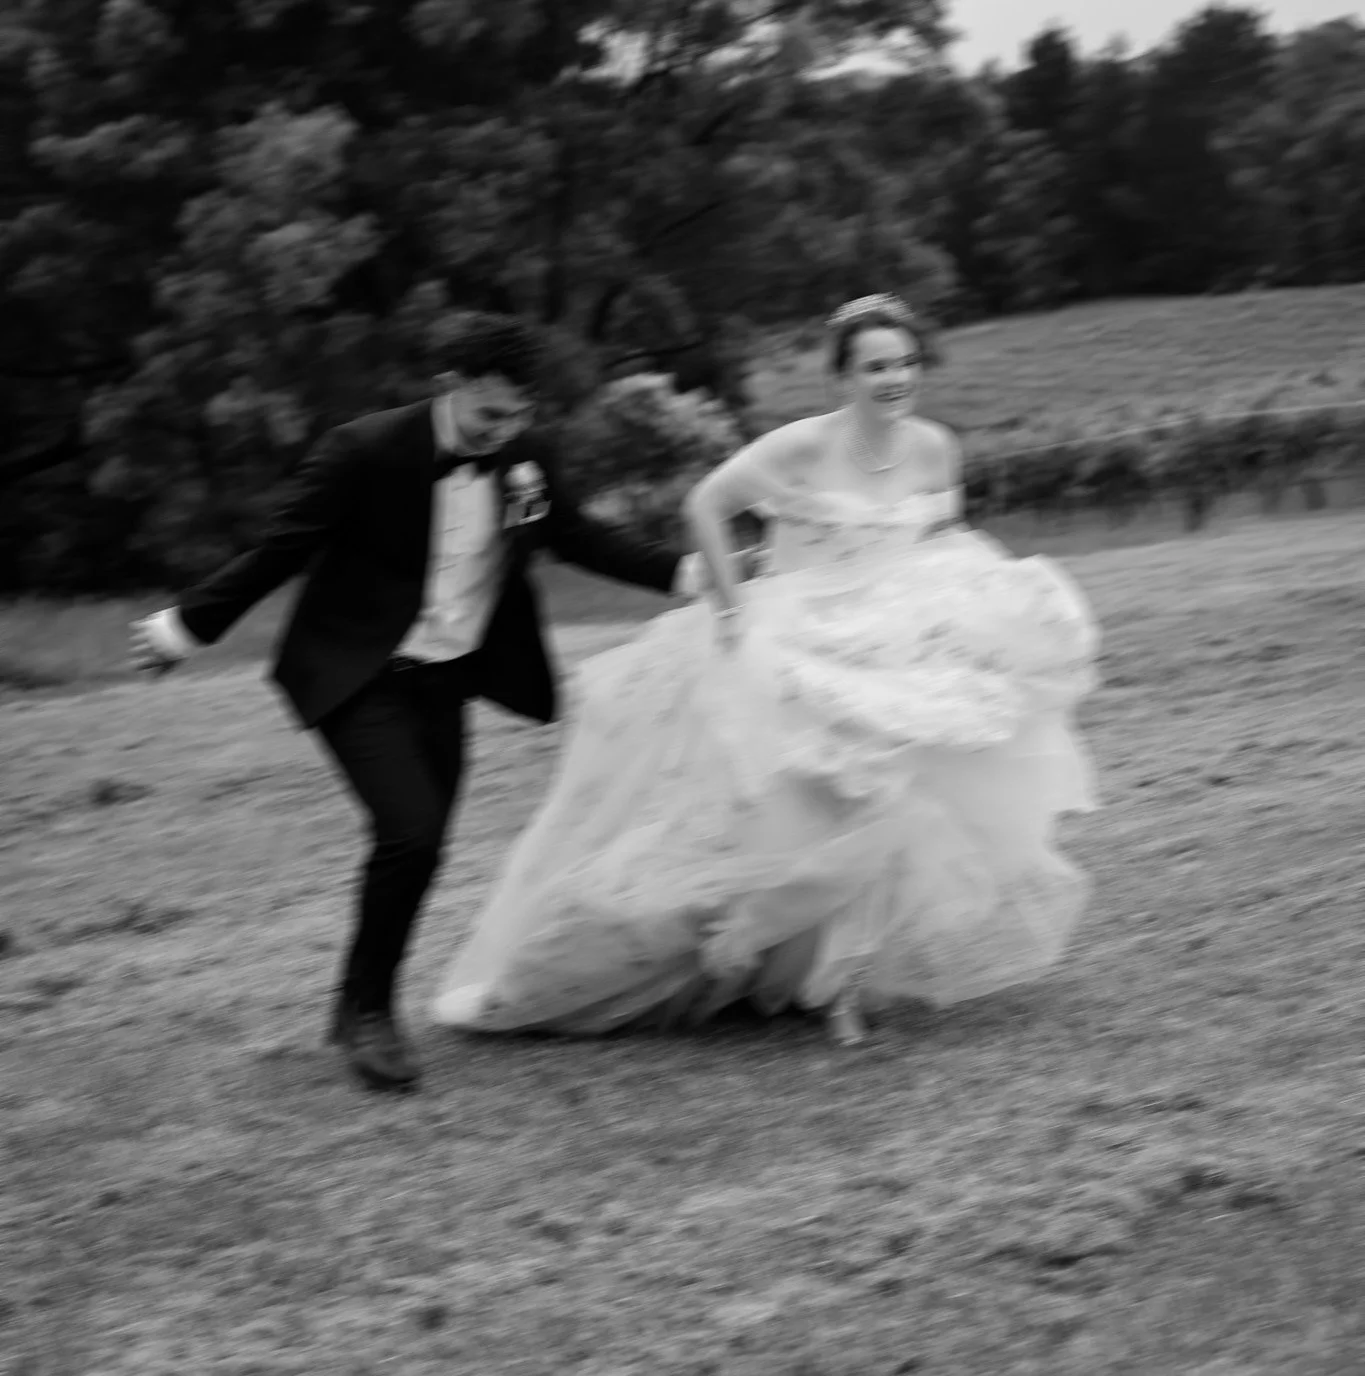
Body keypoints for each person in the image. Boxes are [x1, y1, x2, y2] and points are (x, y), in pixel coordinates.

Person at [432, 294, 1100, 1045]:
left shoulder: (935, 447)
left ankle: (835, 981)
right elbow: (707, 503)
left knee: (903, 803)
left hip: (897, 643)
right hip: (797, 641)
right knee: (803, 817)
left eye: (906, 363)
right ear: (841, 378)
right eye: (876, 366)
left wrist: (977, 607)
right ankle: (724, 946)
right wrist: (727, 608)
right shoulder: (800, 448)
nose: (895, 378)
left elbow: (942, 539)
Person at [130, 314, 681, 1092]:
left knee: (420, 847)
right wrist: (183, 629)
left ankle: (354, 999)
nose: (506, 430)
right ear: (447, 387)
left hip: (446, 680)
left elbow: (582, 539)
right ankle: (371, 1019)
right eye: (491, 413)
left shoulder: (524, 459)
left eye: (520, 414)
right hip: (360, 673)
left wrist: (690, 575)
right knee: (410, 833)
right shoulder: (362, 451)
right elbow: (281, 548)